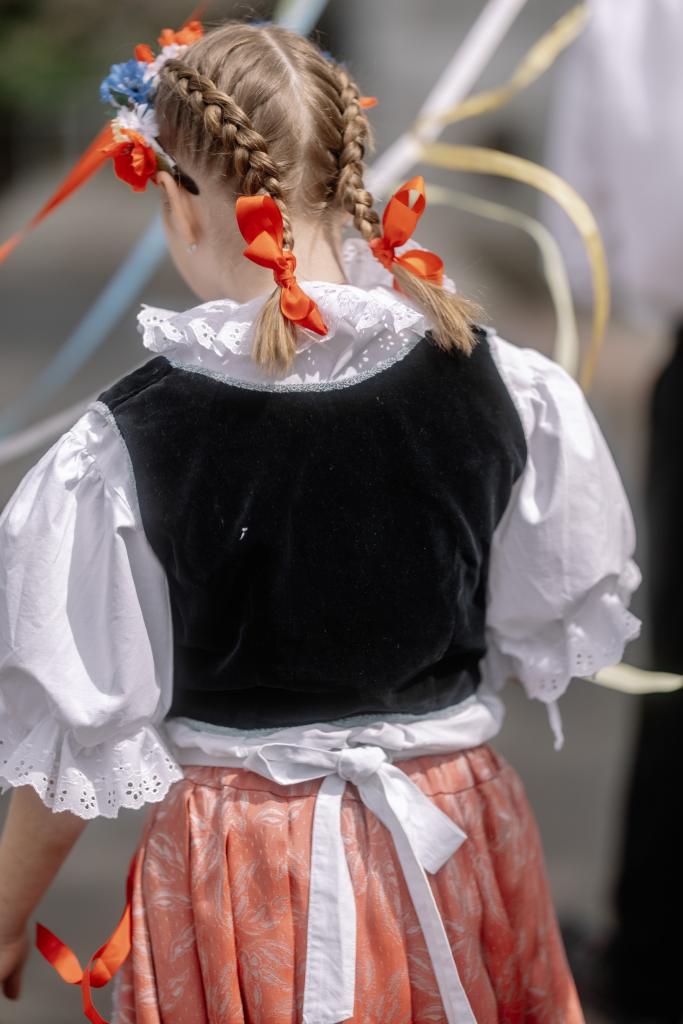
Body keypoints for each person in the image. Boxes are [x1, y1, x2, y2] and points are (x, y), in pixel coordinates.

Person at [0, 17, 640, 1024]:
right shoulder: (503, 387)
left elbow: (80, 725)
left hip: (244, 866)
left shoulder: (125, 445)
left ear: (177, 198)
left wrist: (6, 914)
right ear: (348, 180)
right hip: (452, 832)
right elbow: (536, 607)